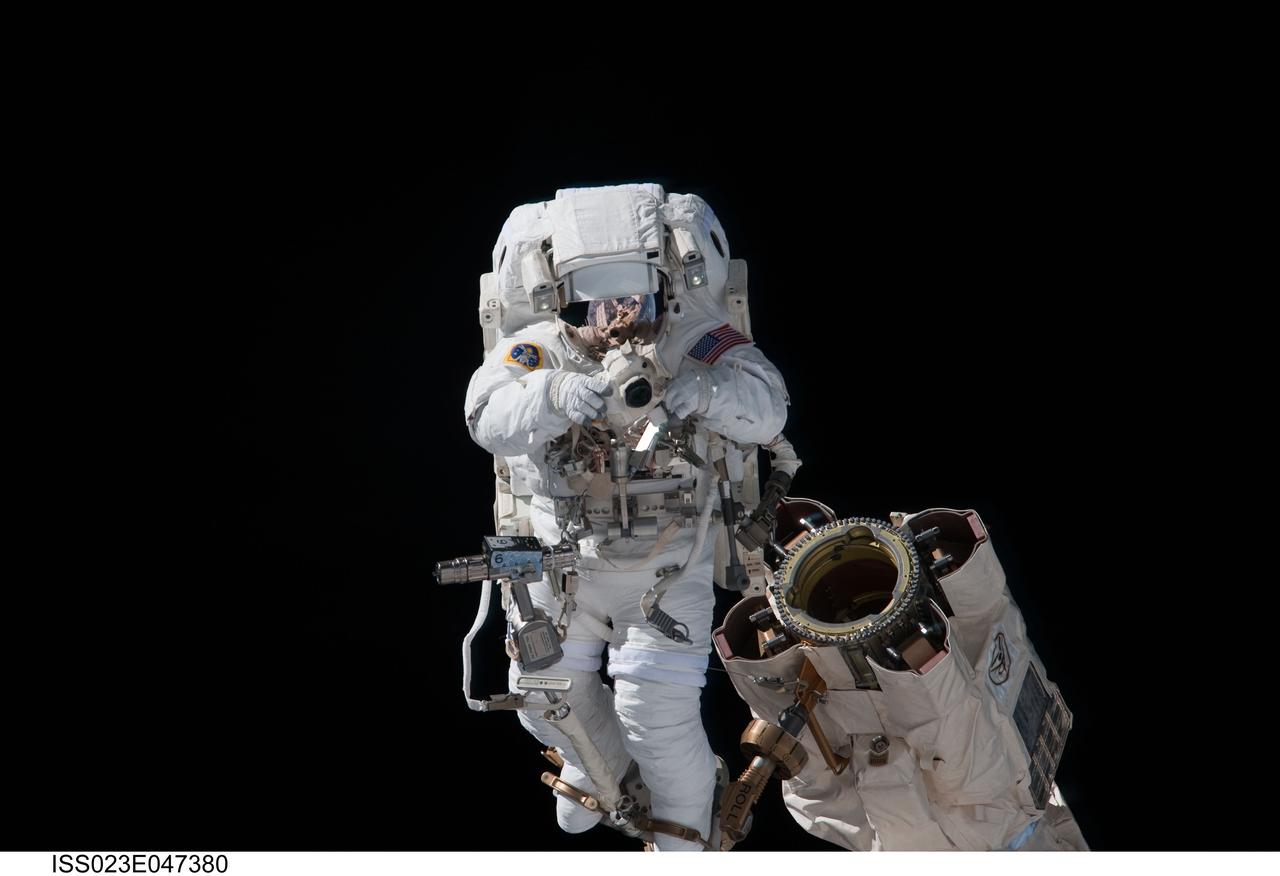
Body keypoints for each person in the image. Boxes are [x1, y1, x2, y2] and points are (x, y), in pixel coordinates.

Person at [462, 184, 789, 850]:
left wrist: (695, 390)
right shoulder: (537, 349)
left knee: (656, 717)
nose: (624, 317)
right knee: (540, 696)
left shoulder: (694, 339)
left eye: (637, 298)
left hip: (665, 576)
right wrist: (565, 393)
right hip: (563, 577)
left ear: (659, 286)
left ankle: (685, 837)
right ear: (571, 297)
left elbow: (767, 406)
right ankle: (595, 767)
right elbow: (487, 415)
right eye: (606, 301)